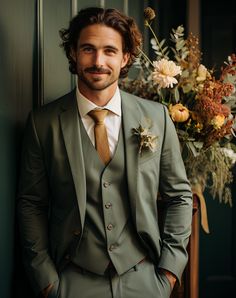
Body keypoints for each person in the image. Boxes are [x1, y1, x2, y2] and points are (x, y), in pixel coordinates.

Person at [17, 7, 192, 298]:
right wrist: (48, 282)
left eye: (109, 50)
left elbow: (179, 196)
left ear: (125, 57)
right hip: (72, 281)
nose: (98, 61)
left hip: (145, 280)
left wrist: (169, 273)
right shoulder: (43, 123)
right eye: (88, 49)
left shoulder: (157, 117)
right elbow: (31, 203)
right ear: (73, 53)